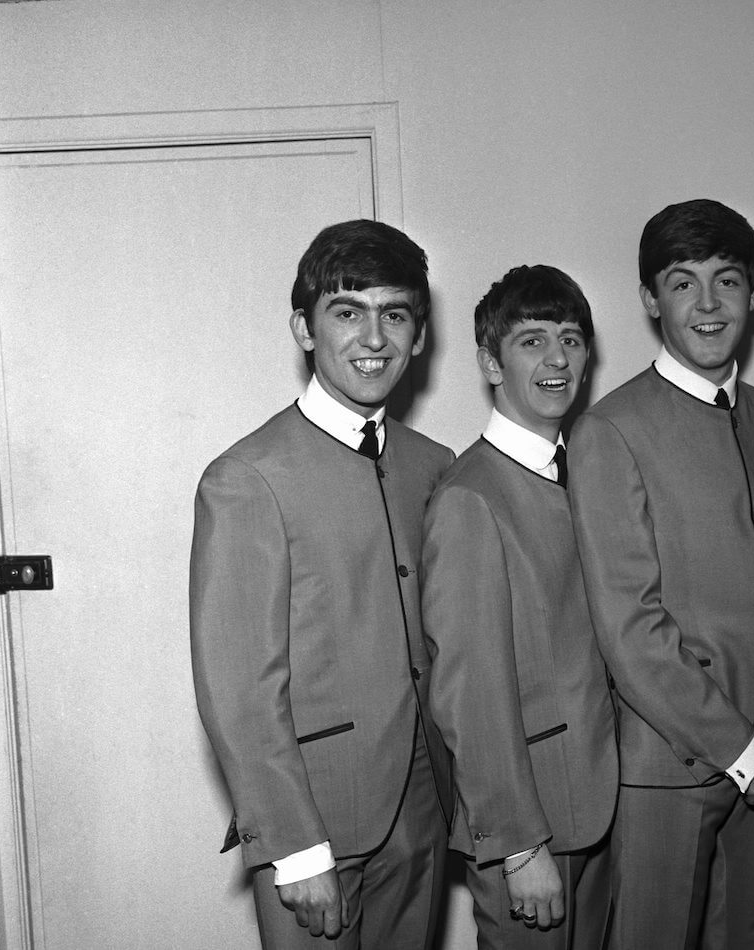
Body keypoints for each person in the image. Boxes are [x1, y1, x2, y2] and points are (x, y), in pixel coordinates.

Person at [567, 198, 754, 949]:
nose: (708, 305)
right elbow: (630, 628)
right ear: (651, 299)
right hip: (669, 772)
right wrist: (743, 750)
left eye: (727, 281)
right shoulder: (611, 429)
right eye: (683, 283)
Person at [190, 219, 454, 949]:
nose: (374, 339)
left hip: (424, 814)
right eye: (348, 313)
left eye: (395, 315)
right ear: (304, 330)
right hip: (318, 827)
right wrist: (294, 844)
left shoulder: (436, 465)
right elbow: (240, 688)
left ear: (420, 337)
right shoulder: (246, 480)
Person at [421, 264, 618, 949]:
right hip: (534, 825)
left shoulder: (591, 474)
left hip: (601, 805)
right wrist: (518, 845)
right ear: (490, 363)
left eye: (571, 338)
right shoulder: (471, 498)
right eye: (532, 340)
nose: (558, 358)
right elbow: (468, 692)